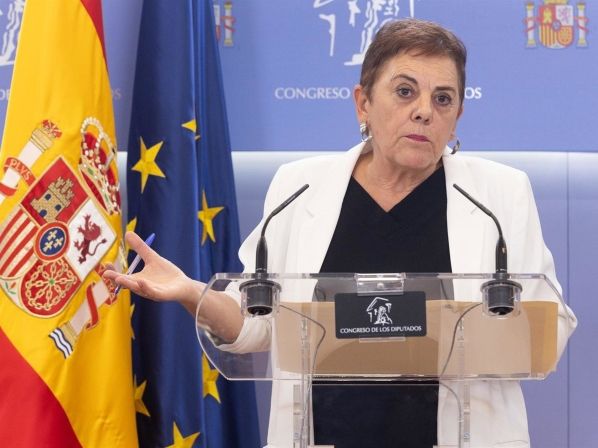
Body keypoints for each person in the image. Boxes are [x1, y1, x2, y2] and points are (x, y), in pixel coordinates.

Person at [104, 19, 577, 448]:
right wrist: (193, 292)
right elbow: (256, 324)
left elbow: (550, 329)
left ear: (457, 116)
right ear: (363, 102)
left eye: (443, 98)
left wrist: (451, 333)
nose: (424, 111)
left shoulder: (499, 195)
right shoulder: (298, 187)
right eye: (405, 91)